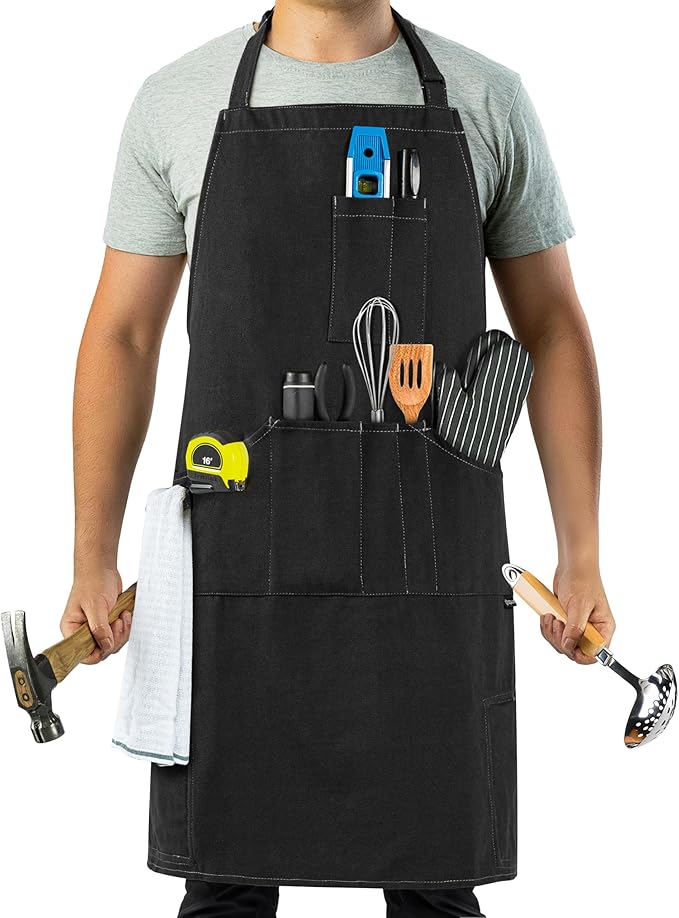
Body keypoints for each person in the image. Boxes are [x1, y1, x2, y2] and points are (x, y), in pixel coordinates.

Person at [60, 2, 616, 916]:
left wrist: (581, 554)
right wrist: (93, 553)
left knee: (436, 893)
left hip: (428, 577)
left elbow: (550, 327)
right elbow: (123, 335)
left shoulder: (486, 99)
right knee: (224, 891)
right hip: (238, 576)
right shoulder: (178, 100)